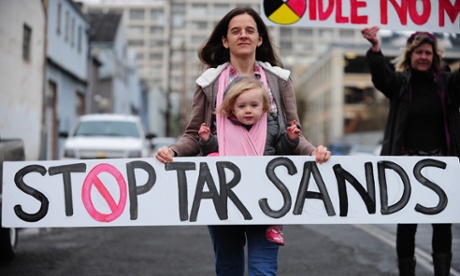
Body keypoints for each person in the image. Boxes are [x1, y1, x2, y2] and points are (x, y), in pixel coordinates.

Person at [156, 7, 331, 276]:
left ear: (260, 39)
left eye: (250, 30)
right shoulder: (209, 83)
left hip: (268, 190)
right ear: (225, 41)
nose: (243, 35)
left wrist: (313, 152)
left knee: (263, 269)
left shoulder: (279, 81)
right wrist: (173, 151)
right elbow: (194, 133)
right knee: (228, 268)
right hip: (222, 190)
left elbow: (292, 133)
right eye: (235, 31)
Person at [361, 26, 460, 276]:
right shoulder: (401, 84)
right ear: (410, 55)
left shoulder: (447, 84)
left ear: (435, 56)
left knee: (442, 224)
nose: (423, 57)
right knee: (406, 224)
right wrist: (375, 49)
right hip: (406, 165)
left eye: (428, 52)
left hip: (441, 163)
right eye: (418, 52)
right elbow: (382, 78)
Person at [198, 77, 301, 246]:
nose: (248, 110)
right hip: (236, 184)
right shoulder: (224, 128)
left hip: (264, 180)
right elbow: (216, 146)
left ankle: (274, 227)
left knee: (275, 196)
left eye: (254, 106)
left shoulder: (273, 125)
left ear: (264, 107)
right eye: (241, 106)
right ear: (231, 108)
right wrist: (206, 139)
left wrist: (290, 139)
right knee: (213, 158)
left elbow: (282, 149)